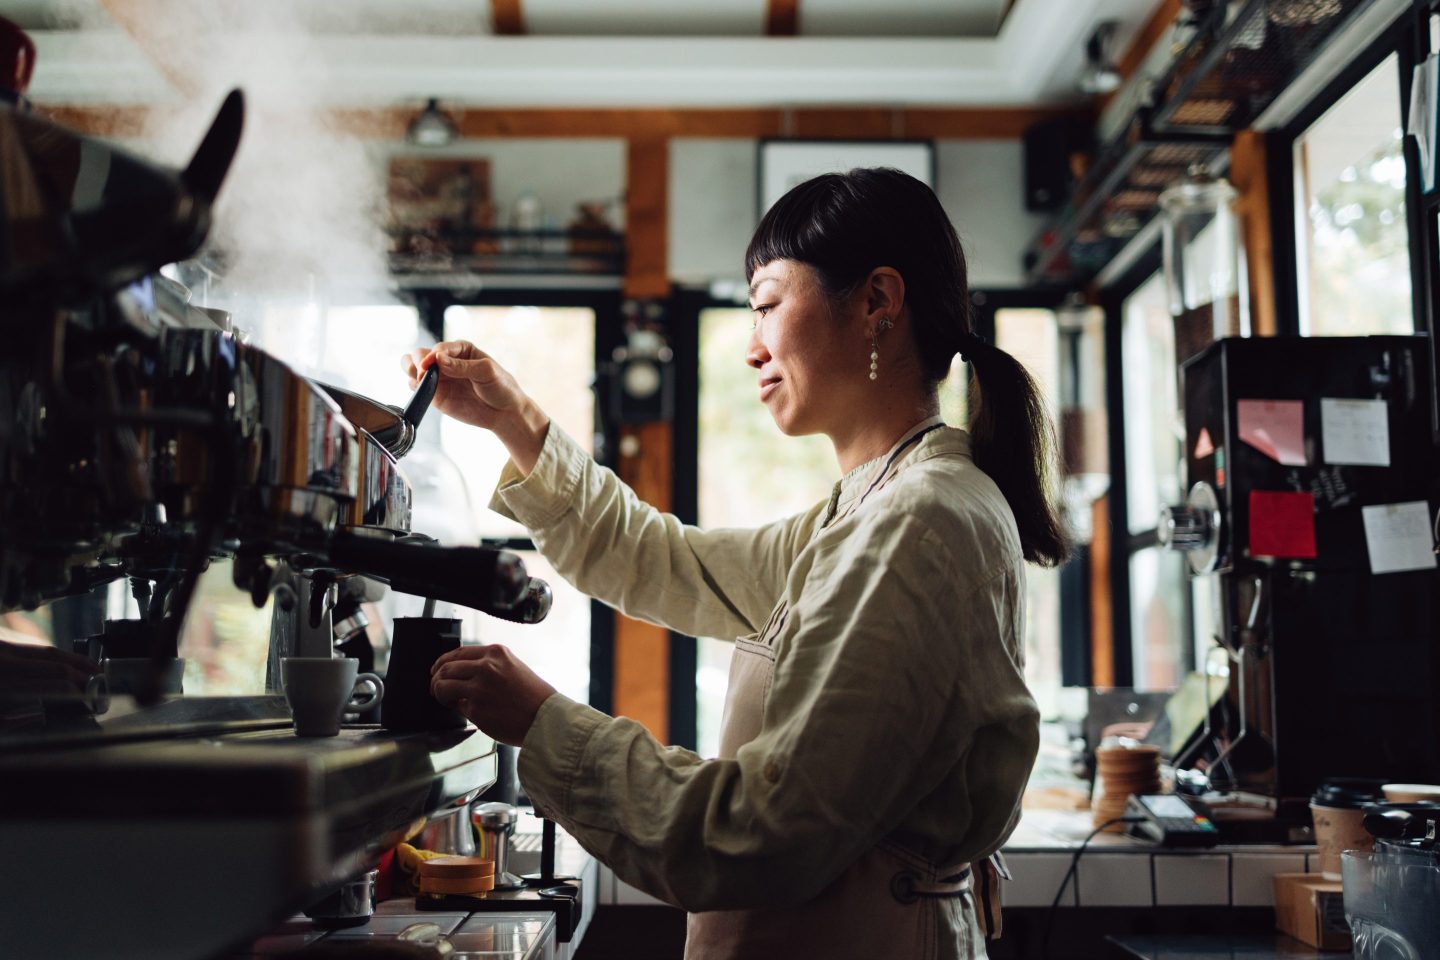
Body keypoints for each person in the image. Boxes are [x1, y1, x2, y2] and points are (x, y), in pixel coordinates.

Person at [405, 167, 1068, 959]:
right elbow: (663, 561)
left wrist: (544, 724)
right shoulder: (870, 507)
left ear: (877, 303)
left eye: (766, 304)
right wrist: (516, 420)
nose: (751, 346)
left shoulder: (919, 522)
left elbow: (764, 832)